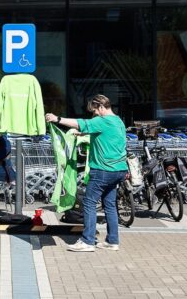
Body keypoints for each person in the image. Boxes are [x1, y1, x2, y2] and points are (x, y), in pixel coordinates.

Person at [45, 94, 128, 252]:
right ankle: (112, 241)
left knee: (89, 203)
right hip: (119, 170)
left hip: (103, 170)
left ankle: (87, 241)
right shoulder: (119, 121)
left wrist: (57, 119)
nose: (94, 115)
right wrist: (84, 134)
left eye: (95, 111)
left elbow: (79, 123)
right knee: (110, 205)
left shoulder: (102, 120)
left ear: (101, 107)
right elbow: (105, 137)